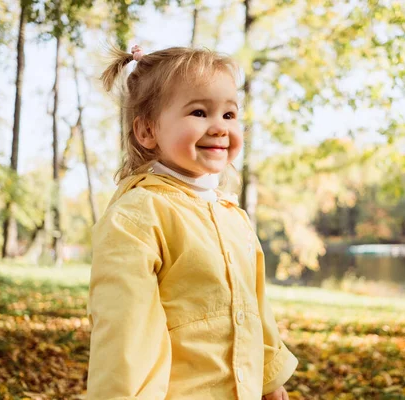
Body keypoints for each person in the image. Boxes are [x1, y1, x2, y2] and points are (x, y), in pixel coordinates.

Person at [87, 45, 298, 400]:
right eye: (199, 112)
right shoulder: (139, 216)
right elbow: (125, 338)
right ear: (147, 131)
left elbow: (255, 308)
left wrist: (269, 380)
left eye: (229, 115)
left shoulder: (233, 216)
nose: (219, 127)